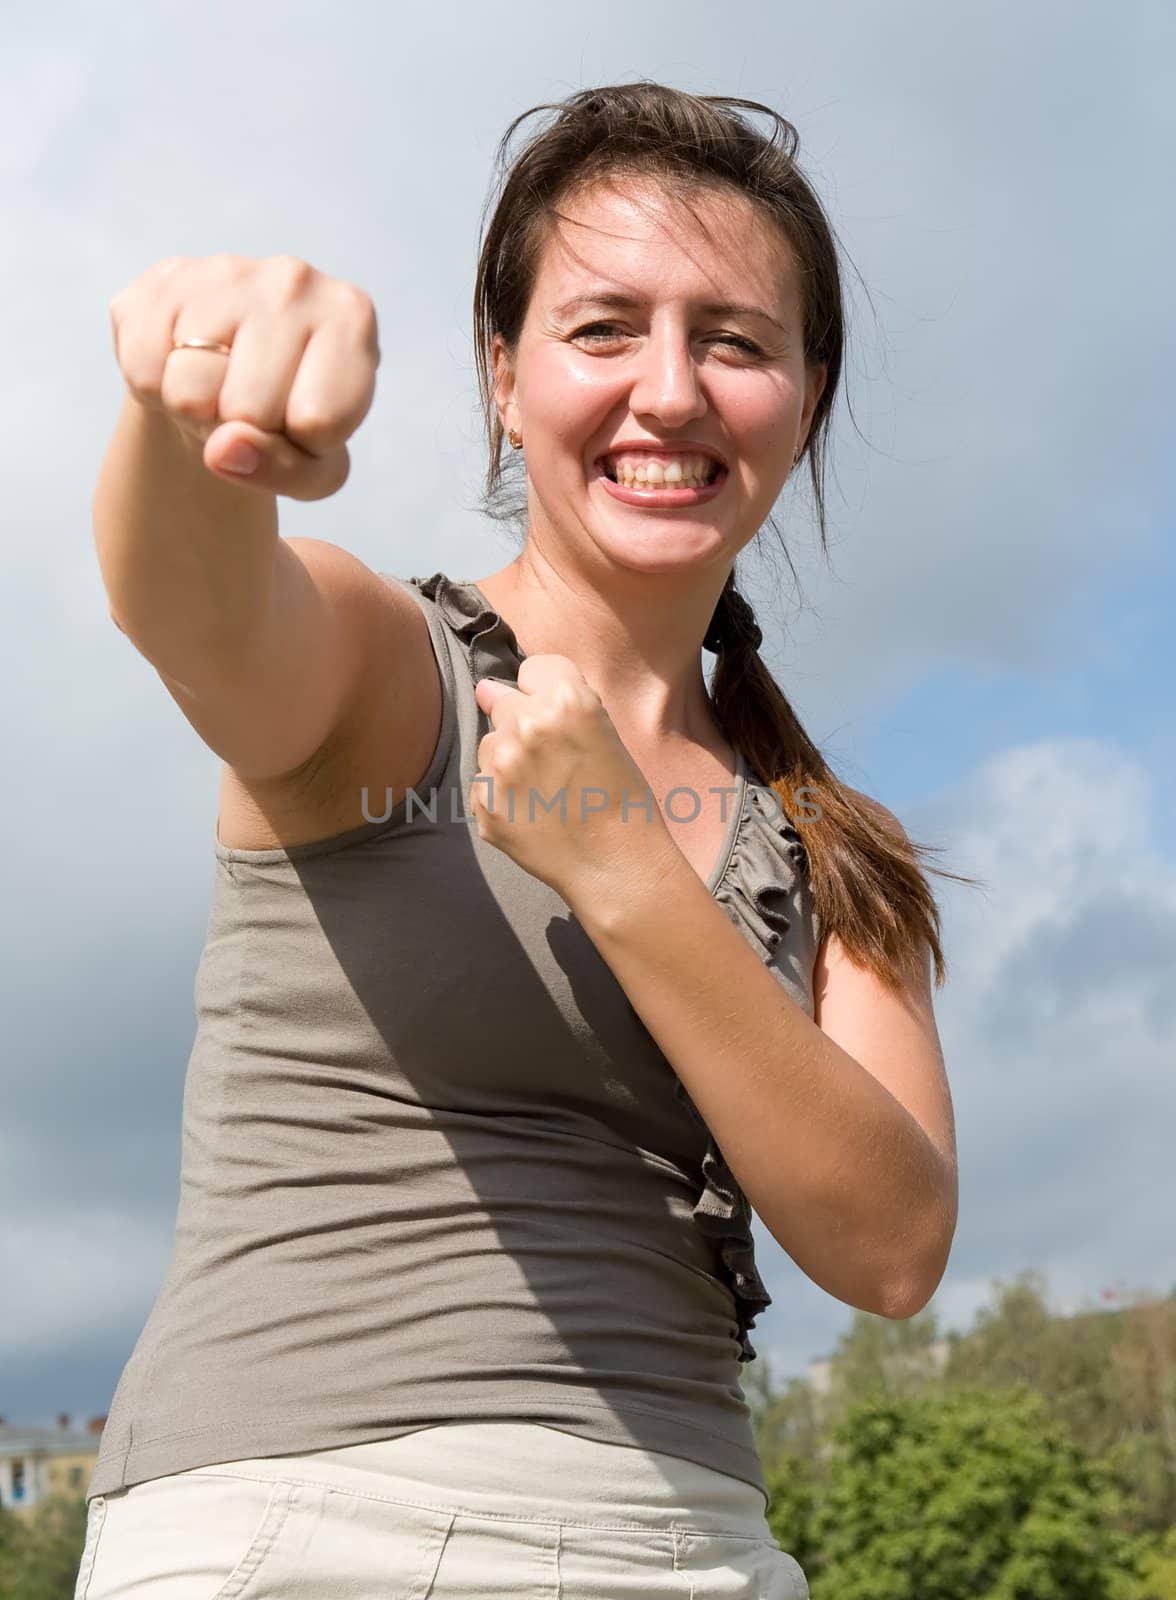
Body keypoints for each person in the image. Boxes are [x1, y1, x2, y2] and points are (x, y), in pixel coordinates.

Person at [77, 81, 963, 1600]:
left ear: (802, 400)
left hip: (699, 1548)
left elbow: (891, 1248)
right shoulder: (387, 668)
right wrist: (184, 411)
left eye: (735, 339)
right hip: (311, 1529)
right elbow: (199, 610)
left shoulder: (827, 845)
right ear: (504, 373)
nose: (671, 391)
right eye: (604, 328)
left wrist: (621, 866)